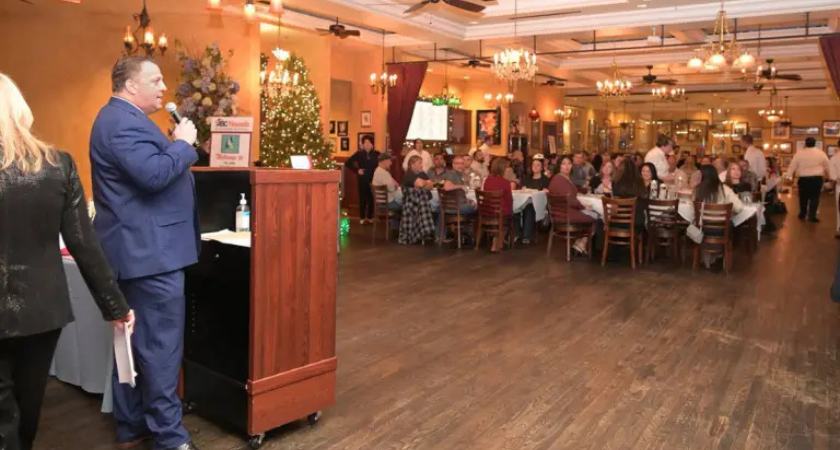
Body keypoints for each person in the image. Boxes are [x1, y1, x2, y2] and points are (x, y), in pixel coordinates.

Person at [0, 73, 134, 450]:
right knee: (27, 406)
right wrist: (116, 306)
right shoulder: (58, 165)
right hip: (43, 310)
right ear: (20, 110)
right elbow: (84, 244)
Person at [89, 56, 201, 450]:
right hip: (150, 255)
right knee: (159, 349)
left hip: (142, 252)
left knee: (133, 347)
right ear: (131, 85)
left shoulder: (122, 119)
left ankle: (132, 426)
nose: (163, 87)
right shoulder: (121, 122)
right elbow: (153, 175)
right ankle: (169, 438)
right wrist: (183, 145)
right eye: (155, 80)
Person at [547, 155, 595, 255]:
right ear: (559, 166)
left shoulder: (557, 178)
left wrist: (581, 191)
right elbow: (571, 200)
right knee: (595, 216)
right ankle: (581, 244)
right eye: (564, 164)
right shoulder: (561, 179)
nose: (567, 166)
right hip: (568, 215)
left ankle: (579, 243)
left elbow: (570, 193)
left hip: (558, 215)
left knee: (590, 213)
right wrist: (583, 207)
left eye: (569, 163)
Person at [785, 137, 830, 223]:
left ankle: (802, 214)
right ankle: (812, 216)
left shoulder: (799, 153)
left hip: (803, 179)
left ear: (805, 143)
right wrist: (831, 176)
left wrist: (788, 176)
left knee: (803, 197)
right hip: (816, 179)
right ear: (815, 143)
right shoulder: (821, 153)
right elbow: (827, 166)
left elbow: (792, 165)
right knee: (815, 198)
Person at [481, 158, 514, 252]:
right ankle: (498, 240)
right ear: (502, 168)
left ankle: (497, 239)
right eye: (507, 167)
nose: (509, 169)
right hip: (500, 212)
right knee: (510, 216)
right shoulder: (505, 182)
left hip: (487, 211)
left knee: (503, 213)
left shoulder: (487, 180)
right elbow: (509, 200)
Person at [346, 135, 380, 224]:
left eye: (369, 142)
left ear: (372, 144)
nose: (367, 144)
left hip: (374, 178)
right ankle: (362, 217)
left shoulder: (377, 154)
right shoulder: (359, 153)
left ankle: (370, 217)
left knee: (371, 198)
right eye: (365, 142)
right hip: (363, 178)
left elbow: (382, 164)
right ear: (362, 144)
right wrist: (357, 170)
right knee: (362, 198)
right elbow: (348, 162)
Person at [516, 156, 550, 244]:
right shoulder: (526, 178)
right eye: (534, 165)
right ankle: (516, 234)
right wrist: (522, 188)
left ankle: (526, 236)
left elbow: (547, 193)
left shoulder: (545, 180)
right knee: (515, 208)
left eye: (538, 165)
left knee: (529, 208)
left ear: (541, 168)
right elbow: (520, 189)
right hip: (524, 201)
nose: (535, 167)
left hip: (539, 204)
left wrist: (545, 190)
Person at [830, 139, 840, 238]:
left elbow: (833, 176)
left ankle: (839, 229)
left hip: (839, 186)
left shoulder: (834, 158)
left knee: (839, 208)